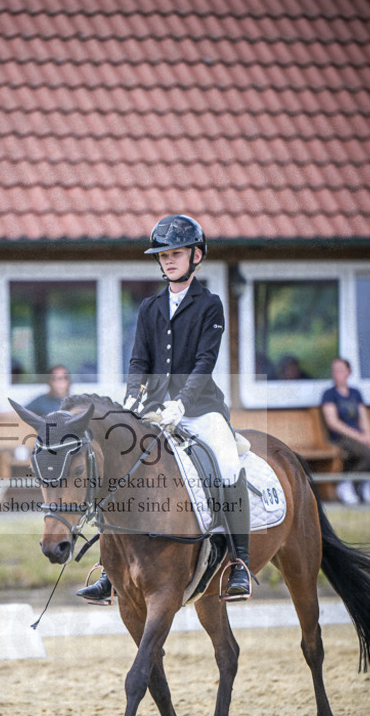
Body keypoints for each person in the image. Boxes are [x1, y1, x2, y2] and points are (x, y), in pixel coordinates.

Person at [77, 214, 252, 602]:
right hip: (153, 409)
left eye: (176, 253)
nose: (168, 260)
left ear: (196, 256)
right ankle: (111, 570)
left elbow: (204, 363)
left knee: (227, 463)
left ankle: (240, 563)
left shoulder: (211, 305)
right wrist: (133, 397)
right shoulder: (149, 307)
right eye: (163, 255)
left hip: (201, 408)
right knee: (119, 467)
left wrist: (182, 403)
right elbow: (139, 360)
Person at [321, 357, 370, 505]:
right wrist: (360, 437)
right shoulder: (329, 394)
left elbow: (364, 418)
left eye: (340, 370)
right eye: (334, 370)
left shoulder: (355, 393)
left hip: (360, 436)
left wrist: (368, 437)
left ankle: (364, 481)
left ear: (348, 372)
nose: (336, 374)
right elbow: (333, 423)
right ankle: (347, 484)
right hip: (342, 438)